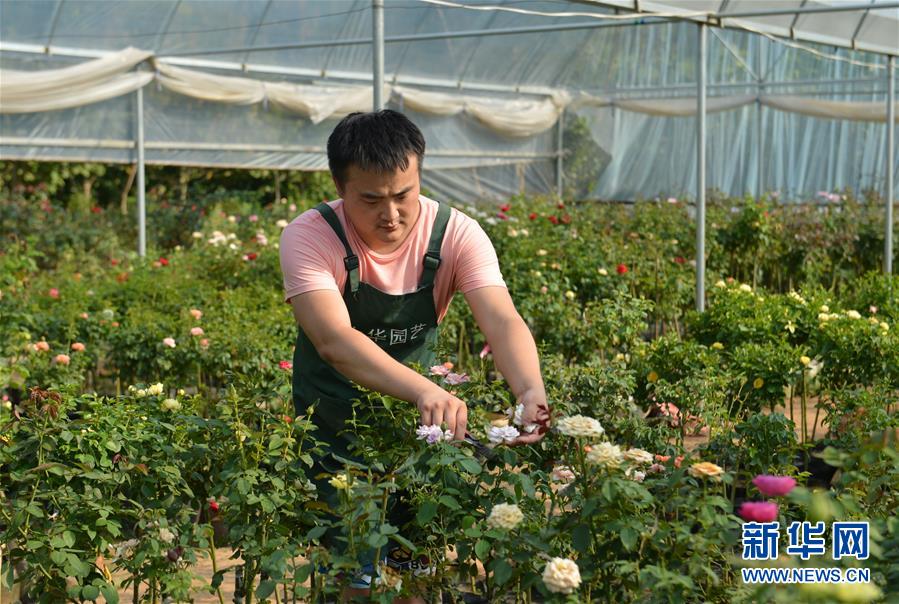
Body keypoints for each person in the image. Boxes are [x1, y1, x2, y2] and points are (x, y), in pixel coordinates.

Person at [279, 109, 549, 600]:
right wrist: (426, 389)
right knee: (357, 571)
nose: (391, 214)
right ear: (339, 188)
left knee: (416, 568)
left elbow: (503, 320)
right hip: (334, 431)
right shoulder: (311, 235)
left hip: (419, 432)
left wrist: (531, 390)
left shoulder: (455, 233)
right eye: (371, 199)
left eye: (403, 195)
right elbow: (334, 341)